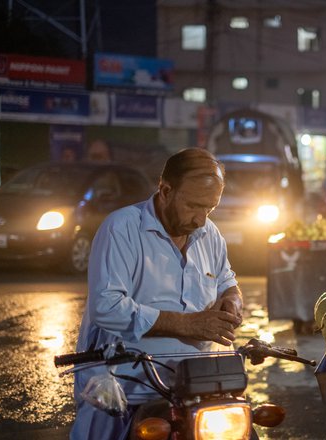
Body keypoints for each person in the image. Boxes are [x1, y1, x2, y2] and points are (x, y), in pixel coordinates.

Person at [71, 148, 244, 439]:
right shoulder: (122, 228)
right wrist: (187, 324)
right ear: (165, 190)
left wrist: (232, 300)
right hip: (127, 388)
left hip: (197, 386)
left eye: (210, 208)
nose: (201, 219)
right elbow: (106, 306)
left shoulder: (209, 233)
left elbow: (227, 279)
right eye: (193, 206)